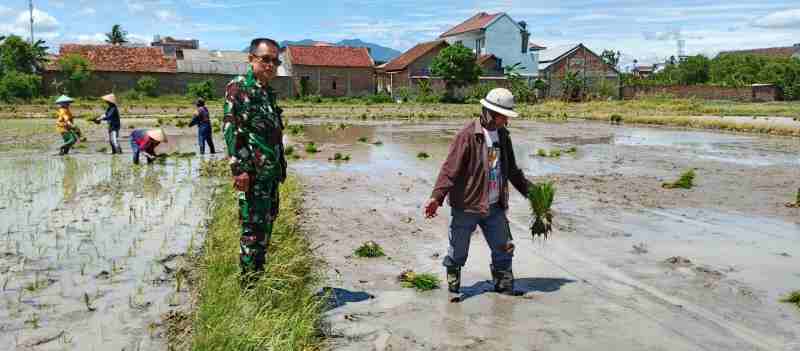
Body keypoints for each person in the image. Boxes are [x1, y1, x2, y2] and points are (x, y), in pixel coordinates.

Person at [424, 88, 532, 297]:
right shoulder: (467, 136)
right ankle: (454, 280)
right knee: (459, 250)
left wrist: (533, 194)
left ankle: (503, 286)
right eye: (504, 117)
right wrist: (436, 197)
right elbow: (450, 169)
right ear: (490, 112)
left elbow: (511, 171)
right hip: (467, 205)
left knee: (504, 247)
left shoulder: (503, 136)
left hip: (495, 206)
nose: (506, 122)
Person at [223, 37, 287, 279]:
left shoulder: (268, 93)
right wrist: (239, 170)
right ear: (251, 59)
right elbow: (232, 130)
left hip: (269, 175)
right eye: (265, 59)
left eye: (275, 61)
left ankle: (257, 278)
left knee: (266, 228)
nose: (271, 65)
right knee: (252, 230)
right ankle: (249, 287)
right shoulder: (238, 88)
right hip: (253, 175)